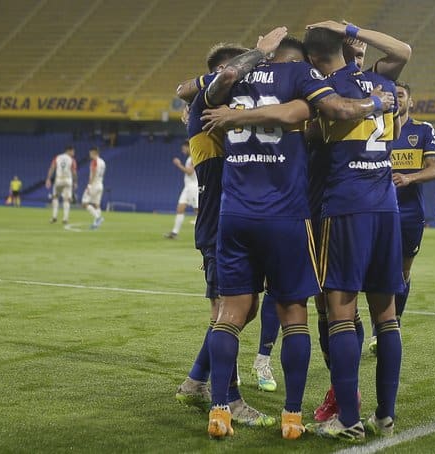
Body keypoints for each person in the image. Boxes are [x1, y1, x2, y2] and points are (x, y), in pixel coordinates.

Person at [200, 29, 394, 440]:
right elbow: (324, 111)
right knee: (295, 316)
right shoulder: (301, 77)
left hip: (234, 214)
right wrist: (376, 99)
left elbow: (204, 90)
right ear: (300, 60)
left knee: (229, 314)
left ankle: (219, 409)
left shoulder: (236, 78)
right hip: (286, 215)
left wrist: (251, 63)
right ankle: (291, 416)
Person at [300, 26, 402, 441]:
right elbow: (404, 48)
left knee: (339, 313)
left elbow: (326, 120)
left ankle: (347, 418)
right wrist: (353, 27)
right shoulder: (382, 82)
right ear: (349, 48)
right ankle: (386, 416)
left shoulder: (324, 88)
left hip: (345, 206)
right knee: (387, 318)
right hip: (386, 207)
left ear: (312, 59)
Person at [173, 42, 274, 430]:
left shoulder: (219, 112)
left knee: (242, 309)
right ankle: (228, 397)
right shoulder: (206, 106)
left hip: (230, 219)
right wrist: (261, 52)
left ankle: (196, 381)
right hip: (219, 223)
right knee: (225, 312)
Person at [367, 80, 435, 356]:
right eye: (392, 94)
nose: (396, 99)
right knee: (376, 271)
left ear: (410, 101)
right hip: (376, 209)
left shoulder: (422, 131)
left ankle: (393, 321)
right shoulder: (373, 127)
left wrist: (409, 177)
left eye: (401, 95)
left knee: (403, 271)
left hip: (409, 213)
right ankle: (379, 327)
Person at [165, 140, 199, 239]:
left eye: (184, 147)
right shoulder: (189, 158)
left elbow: (189, 172)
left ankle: (205, 233)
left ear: (189, 147)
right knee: (180, 208)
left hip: (193, 187)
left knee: (198, 211)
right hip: (187, 187)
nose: (183, 149)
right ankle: (174, 233)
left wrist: (179, 164)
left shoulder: (193, 157)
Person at [45, 145, 77, 224]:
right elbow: (74, 172)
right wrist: (75, 182)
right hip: (67, 180)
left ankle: (54, 217)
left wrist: (48, 179)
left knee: (55, 197)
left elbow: (52, 168)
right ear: (68, 151)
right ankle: (65, 219)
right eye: (73, 151)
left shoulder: (57, 157)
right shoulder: (72, 160)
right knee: (67, 199)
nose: (73, 153)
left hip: (58, 180)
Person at [82, 147, 106, 230]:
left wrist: (89, 185)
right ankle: (96, 225)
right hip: (100, 184)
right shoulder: (103, 162)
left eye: (90, 153)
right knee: (96, 205)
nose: (90, 155)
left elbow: (94, 172)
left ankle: (98, 218)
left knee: (84, 203)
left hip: (94, 184)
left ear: (94, 153)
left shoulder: (94, 161)